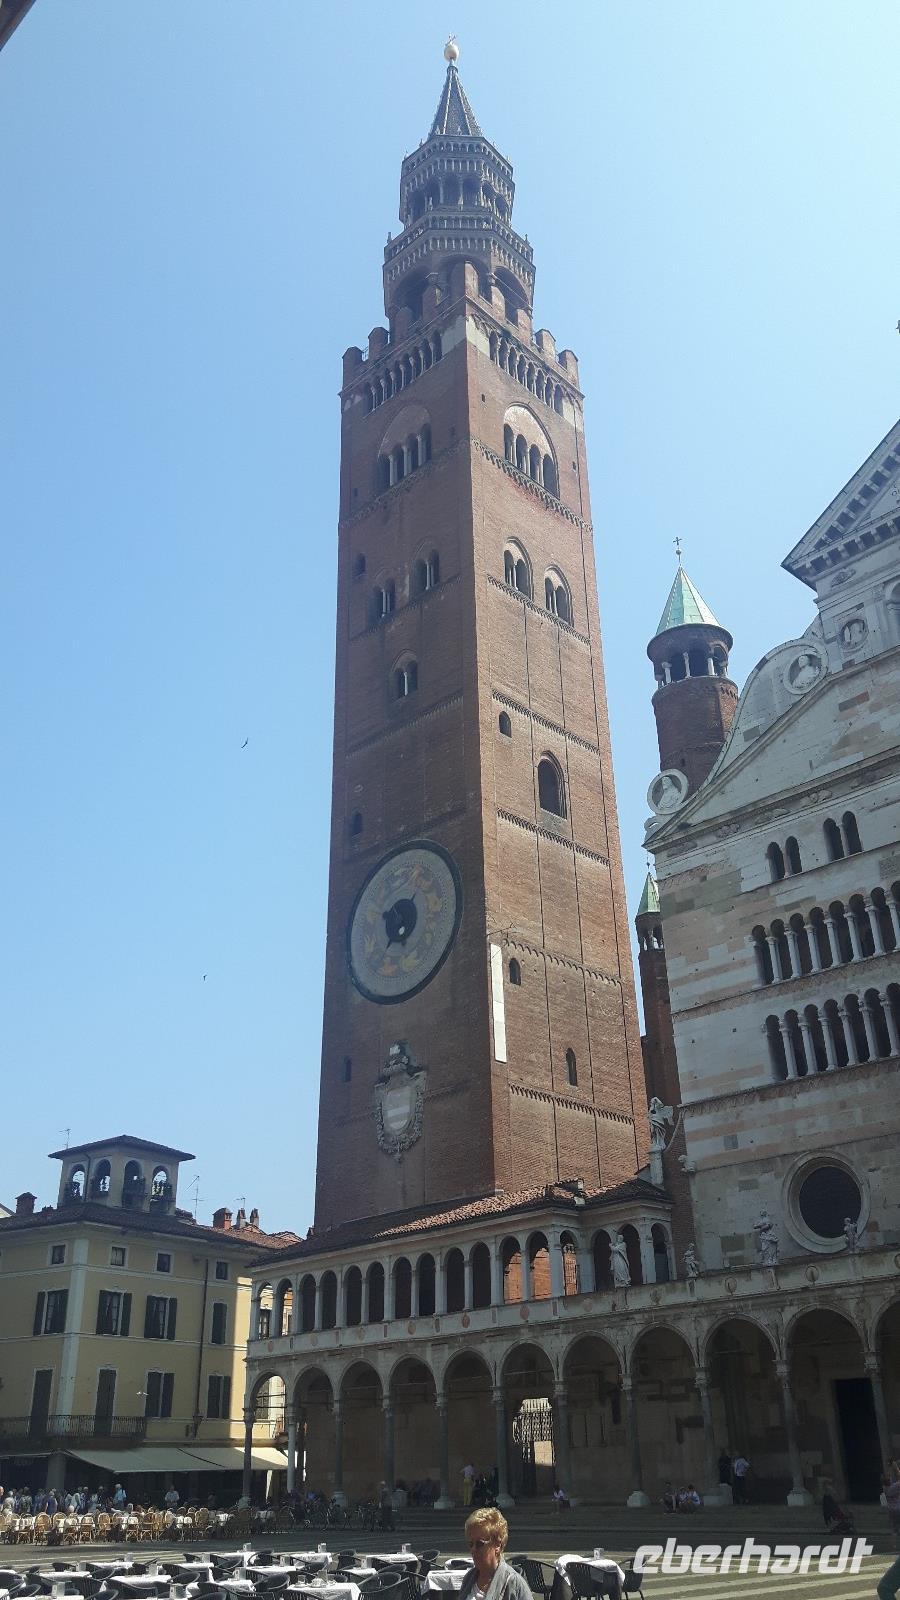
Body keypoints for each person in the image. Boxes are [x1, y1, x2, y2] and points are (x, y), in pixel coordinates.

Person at [457, 1507, 532, 1600]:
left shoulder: (514, 1583)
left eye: (480, 1543)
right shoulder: (469, 1579)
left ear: (497, 1545)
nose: (473, 1549)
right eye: (470, 1544)